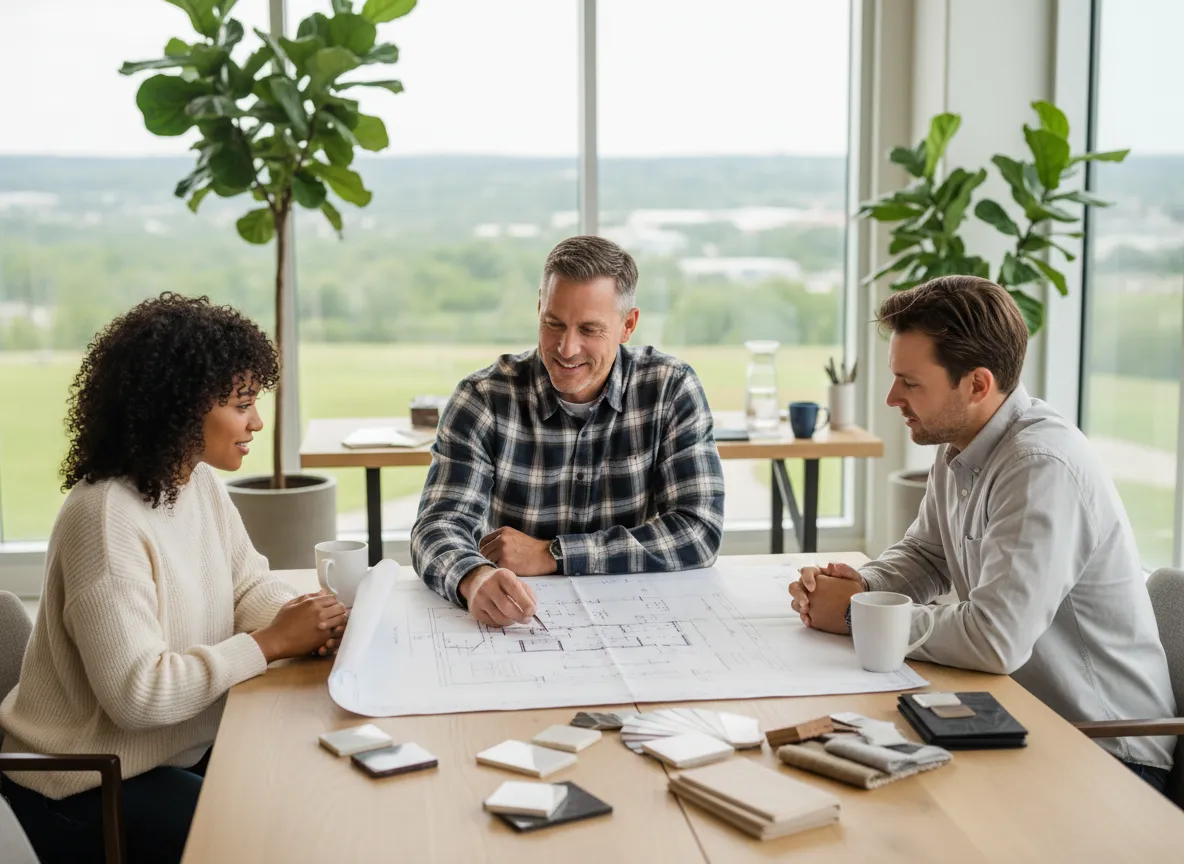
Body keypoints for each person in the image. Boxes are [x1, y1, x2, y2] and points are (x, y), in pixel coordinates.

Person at [788, 275, 1176, 792]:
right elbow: (928, 555)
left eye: (911, 382)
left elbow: (996, 639)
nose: (891, 397)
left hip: (1109, 752)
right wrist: (860, 586)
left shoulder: (1041, 467)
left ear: (976, 384)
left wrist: (857, 617)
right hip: (1020, 718)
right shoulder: (961, 440)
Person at [0, 293, 347, 864]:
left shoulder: (196, 483)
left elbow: (246, 586)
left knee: (309, 789)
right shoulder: (105, 518)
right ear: (181, 408)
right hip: (86, 785)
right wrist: (271, 642)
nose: (257, 421)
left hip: (171, 754)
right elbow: (139, 695)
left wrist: (315, 621)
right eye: (242, 404)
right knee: (267, 844)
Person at [411, 235, 725, 626]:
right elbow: (438, 526)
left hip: (634, 616)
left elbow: (699, 530)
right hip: (519, 620)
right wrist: (473, 578)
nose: (567, 348)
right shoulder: (483, 398)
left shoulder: (670, 389)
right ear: (539, 306)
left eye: (590, 330)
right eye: (553, 324)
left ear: (628, 325)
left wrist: (553, 554)